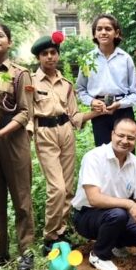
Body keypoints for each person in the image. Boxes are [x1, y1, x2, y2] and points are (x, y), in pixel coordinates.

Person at [71, 117, 136, 270]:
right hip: (87, 216)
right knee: (118, 214)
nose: (125, 141)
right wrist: (129, 204)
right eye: (121, 136)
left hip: (116, 215)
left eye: (130, 138)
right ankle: (99, 255)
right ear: (112, 134)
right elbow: (94, 198)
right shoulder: (94, 157)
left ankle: (115, 243)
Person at [31, 32, 100, 256]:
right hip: (45, 132)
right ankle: (49, 236)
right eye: (45, 54)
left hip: (66, 132)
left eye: (53, 53)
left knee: (68, 188)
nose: (50, 57)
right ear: (38, 58)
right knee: (57, 188)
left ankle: (61, 232)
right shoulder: (30, 83)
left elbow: (74, 116)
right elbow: (28, 111)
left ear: (58, 55)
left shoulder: (66, 84)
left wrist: (96, 113)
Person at [0, 22, 36, 270]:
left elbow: (26, 111)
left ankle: (27, 252)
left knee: (22, 198)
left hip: (13, 140)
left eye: (0, 35)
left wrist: (3, 130)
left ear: (9, 42)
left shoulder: (19, 73)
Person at [76, 14, 136, 146]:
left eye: (108, 29)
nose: (103, 32)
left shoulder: (125, 58)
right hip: (99, 112)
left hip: (123, 111)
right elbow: (81, 89)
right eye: (99, 29)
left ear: (116, 33)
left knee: (126, 149)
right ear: (94, 34)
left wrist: (120, 104)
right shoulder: (88, 60)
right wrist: (92, 101)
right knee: (103, 152)